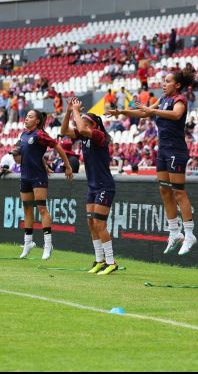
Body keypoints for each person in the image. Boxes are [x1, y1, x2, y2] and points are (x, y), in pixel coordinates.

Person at [107, 68, 198, 256]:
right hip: (163, 150)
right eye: (163, 81)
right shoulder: (163, 100)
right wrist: (122, 111)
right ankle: (174, 232)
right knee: (164, 190)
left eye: (167, 81)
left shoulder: (179, 100)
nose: (163, 84)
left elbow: (176, 115)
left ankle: (189, 234)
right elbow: (144, 113)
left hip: (176, 150)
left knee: (179, 192)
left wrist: (152, 110)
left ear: (177, 85)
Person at [61, 98, 119, 275]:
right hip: (93, 186)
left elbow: (84, 129)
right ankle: (99, 260)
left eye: (87, 121)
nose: (82, 124)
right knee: (91, 223)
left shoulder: (99, 136)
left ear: (95, 125)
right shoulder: (84, 135)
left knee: (99, 223)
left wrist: (77, 111)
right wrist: (69, 111)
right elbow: (63, 130)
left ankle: (111, 261)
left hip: (104, 186)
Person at [17, 110, 73, 260]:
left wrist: (67, 165)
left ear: (37, 121)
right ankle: (28, 243)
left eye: (30, 116)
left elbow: (58, 147)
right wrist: (44, 163)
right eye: (26, 116)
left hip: (38, 177)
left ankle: (48, 245)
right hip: (25, 177)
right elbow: (33, 154)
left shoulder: (40, 134)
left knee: (42, 208)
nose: (26, 118)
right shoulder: (23, 135)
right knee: (27, 209)